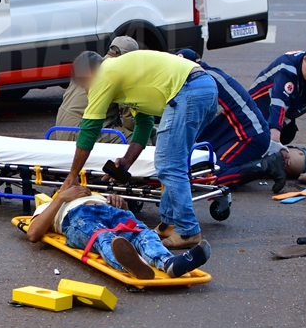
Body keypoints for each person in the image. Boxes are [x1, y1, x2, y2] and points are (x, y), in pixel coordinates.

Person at [60, 50, 218, 249]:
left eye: (84, 84)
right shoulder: (125, 77)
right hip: (201, 87)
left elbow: (89, 129)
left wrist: (72, 175)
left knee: (169, 165)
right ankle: (169, 224)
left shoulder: (104, 74)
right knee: (170, 162)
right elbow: (143, 125)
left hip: (188, 89)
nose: (86, 92)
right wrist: (126, 162)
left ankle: (188, 231)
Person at [26, 185, 211, 280]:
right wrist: (61, 198)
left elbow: (120, 209)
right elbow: (33, 234)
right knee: (104, 237)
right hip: (78, 217)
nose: (74, 188)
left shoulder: (93, 193)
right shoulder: (51, 205)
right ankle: (134, 264)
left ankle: (170, 263)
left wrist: (118, 202)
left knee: (143, 233)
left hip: (111, 212)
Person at [175, 49, 287, 193]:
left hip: (248, 135)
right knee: (198, 169)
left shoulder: (203, 82)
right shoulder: (208, 75)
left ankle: (266, 166)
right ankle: (245, 168)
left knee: (208, 179)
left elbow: (189, 117)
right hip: (239, 134)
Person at [53, 36, 139, 143]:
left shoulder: (89, 64)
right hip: (81, 131)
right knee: (140, 141)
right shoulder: (118, 74)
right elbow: (131, 122)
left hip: (61, 128)